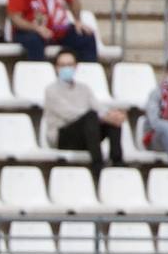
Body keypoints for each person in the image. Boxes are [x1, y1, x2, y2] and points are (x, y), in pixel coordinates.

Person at [43, 49, 126, 178]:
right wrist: (102, 116)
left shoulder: (84, 88)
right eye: (62, 65)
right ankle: (97, 165)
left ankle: (117, 162)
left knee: (113, 120)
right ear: (56, 67)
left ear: (76, 67)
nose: (66, 68)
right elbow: (69, 113)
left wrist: (111, 115)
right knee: (91, 116)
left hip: (85, 133)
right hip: (62, 136)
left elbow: (98, 107)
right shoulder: (51, 90)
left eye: (70, 65)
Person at [5, 0, 96, 63]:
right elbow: (15, 18)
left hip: (58, 29)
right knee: (33, 41)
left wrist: (78, 21)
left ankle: (87, 74)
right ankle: (41, 74)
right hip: (30, 30)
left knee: (86, 36)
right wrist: (36, 28)